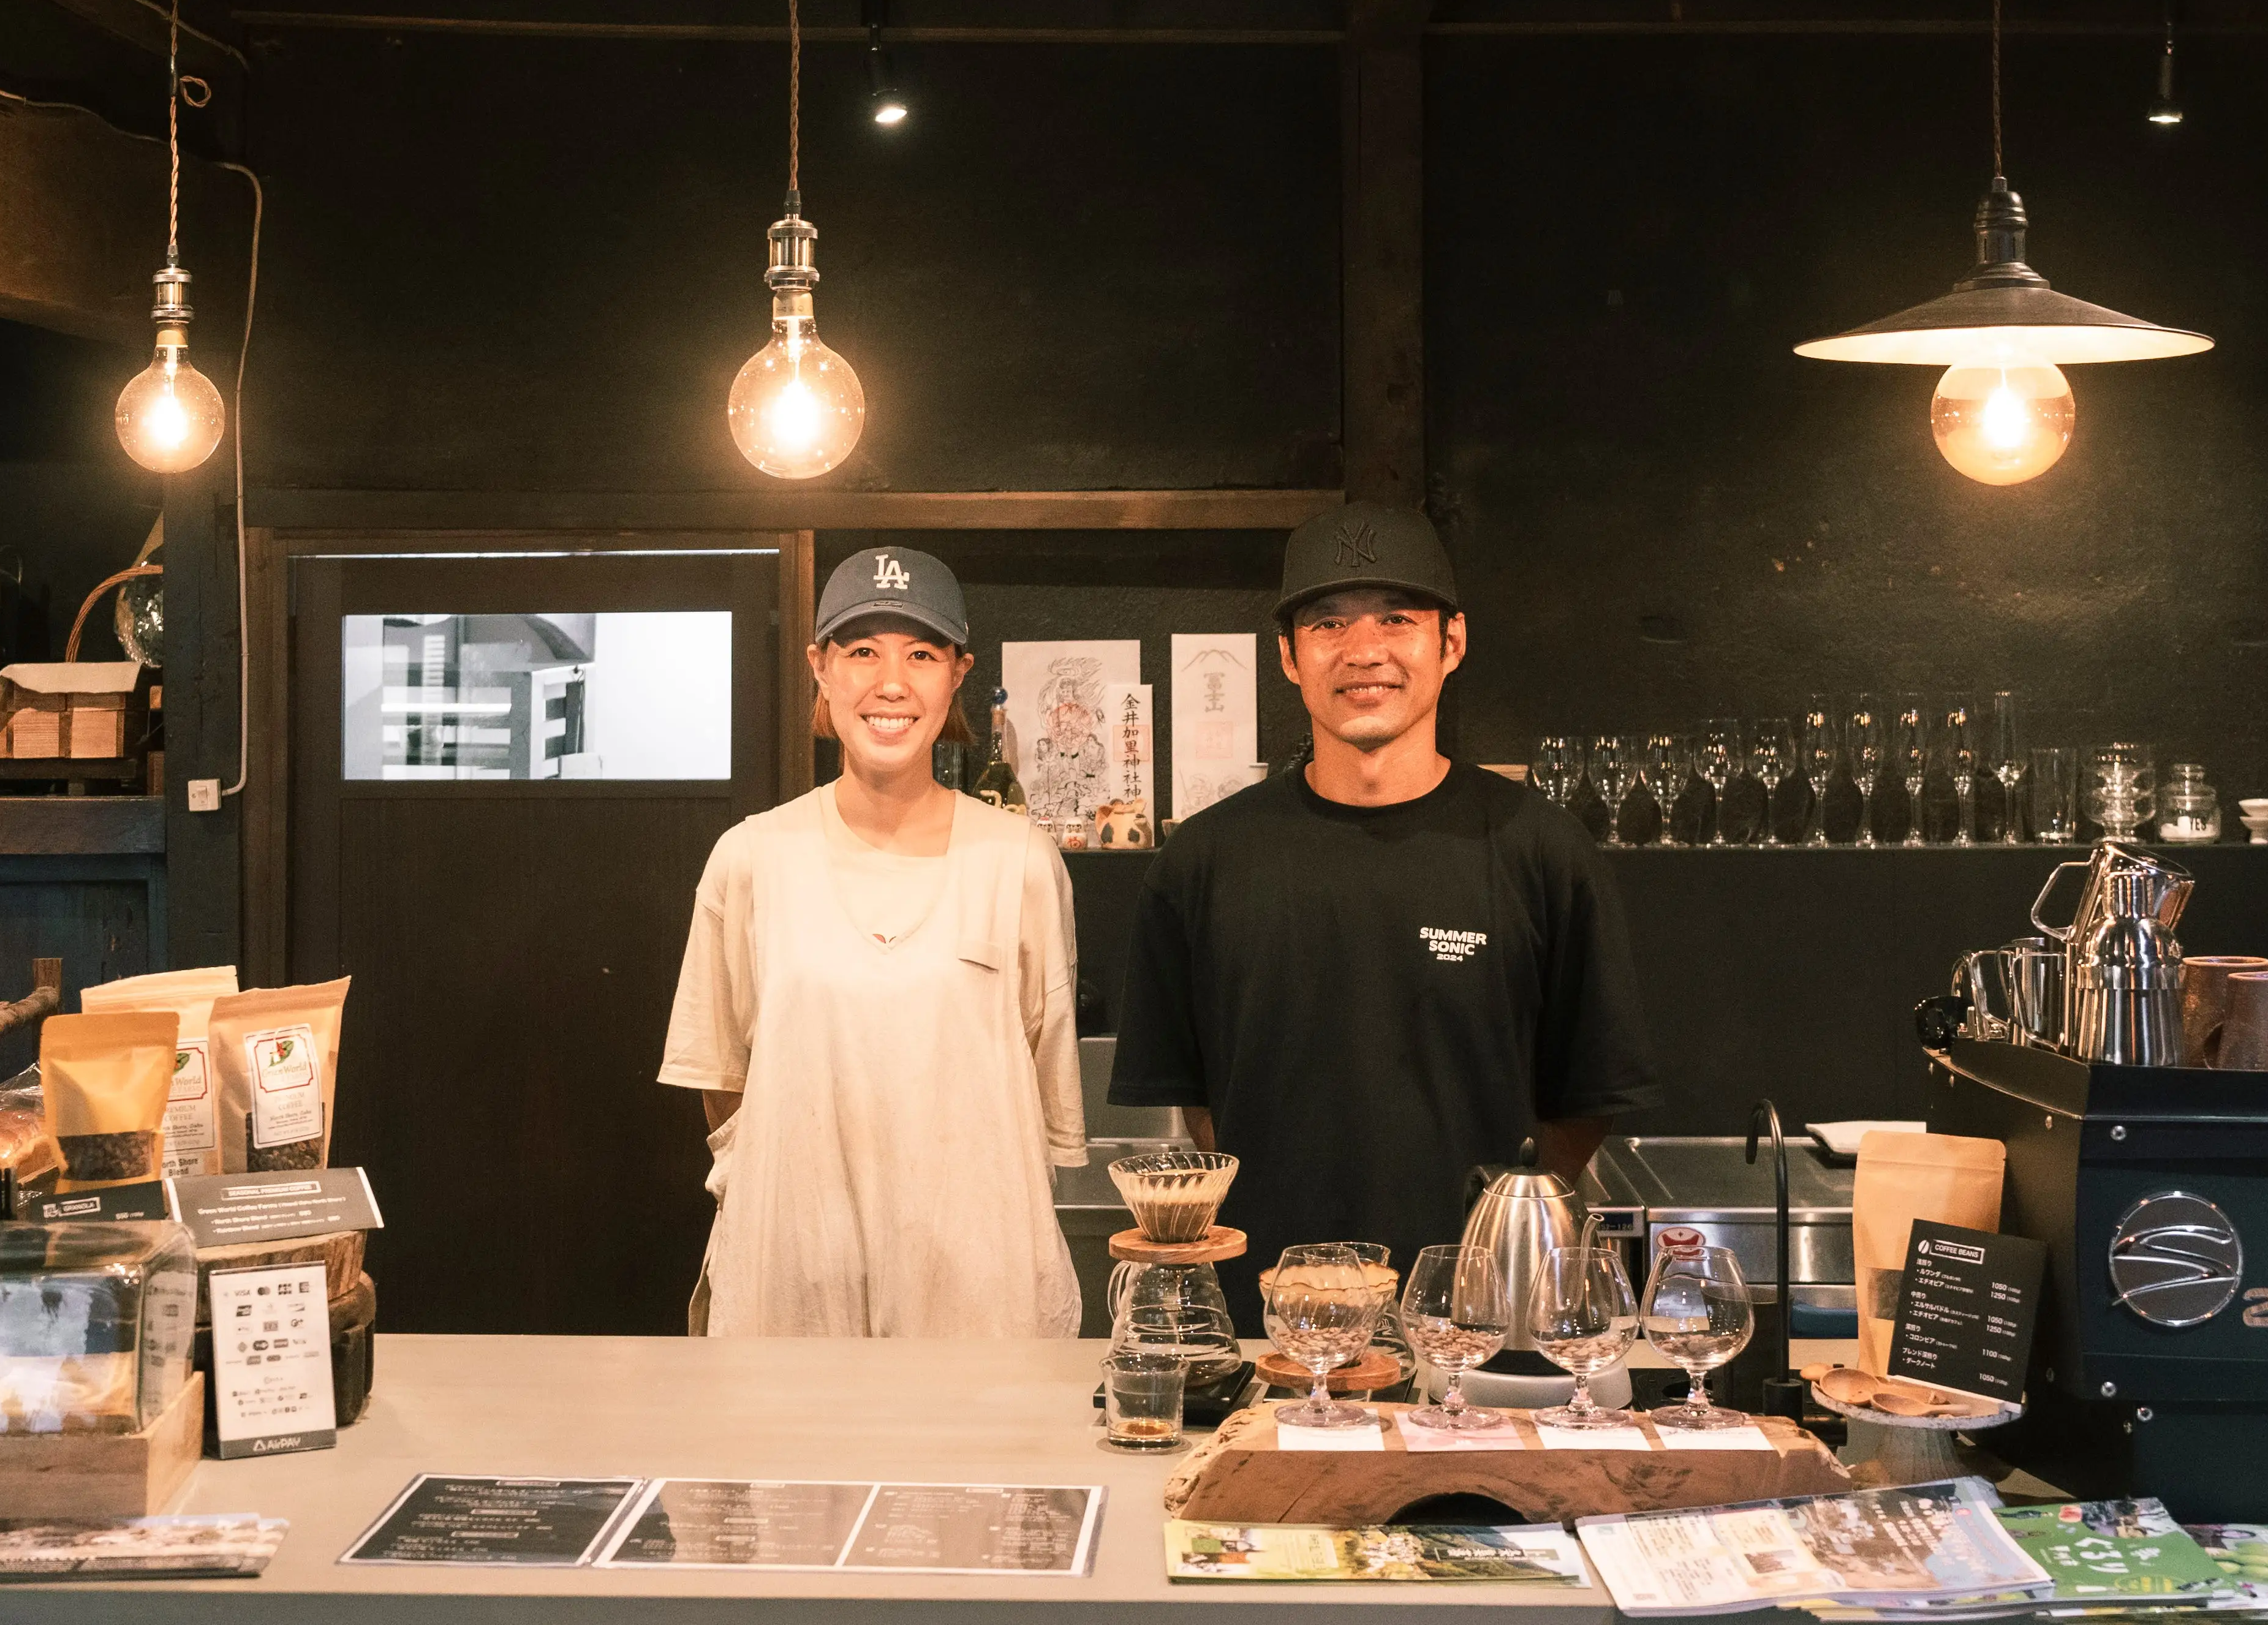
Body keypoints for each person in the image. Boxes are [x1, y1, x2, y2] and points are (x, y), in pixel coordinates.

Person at [1108, 500, 1659, 1330]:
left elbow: (1586, 1095)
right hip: (1269, 1328)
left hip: (1483, 1331)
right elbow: (1196, 1099)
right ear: (1289, 658)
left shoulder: (1540, 849)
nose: (1363, 652)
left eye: (1397, 619)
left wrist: (1487, 1243)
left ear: (1453, 642)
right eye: (1326, 625)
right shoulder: (1203, 863)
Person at [659, 546, 1086, 1337]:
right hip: (794, 1264)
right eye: (862, 652)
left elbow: (1041, 1069)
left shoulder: (1018, 861)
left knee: (982, 1458)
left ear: (957, 673)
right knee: (792, 1457)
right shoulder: (752, 857)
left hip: (977, 1271)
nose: (891, 683)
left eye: (920, 653)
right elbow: (722, 1079)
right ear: (820, 668)